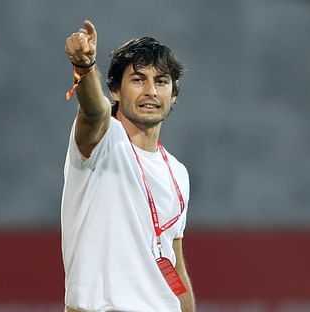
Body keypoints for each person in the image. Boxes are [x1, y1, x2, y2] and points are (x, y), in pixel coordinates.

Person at [61, 19, 195, 312]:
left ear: (173, 96)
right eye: (138, 79)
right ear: (115, 91)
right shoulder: (103, 140)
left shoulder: (178, 173)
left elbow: (176, 268)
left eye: (161, 82)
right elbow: (93, 110)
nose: (150, 91)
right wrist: (84, 68)